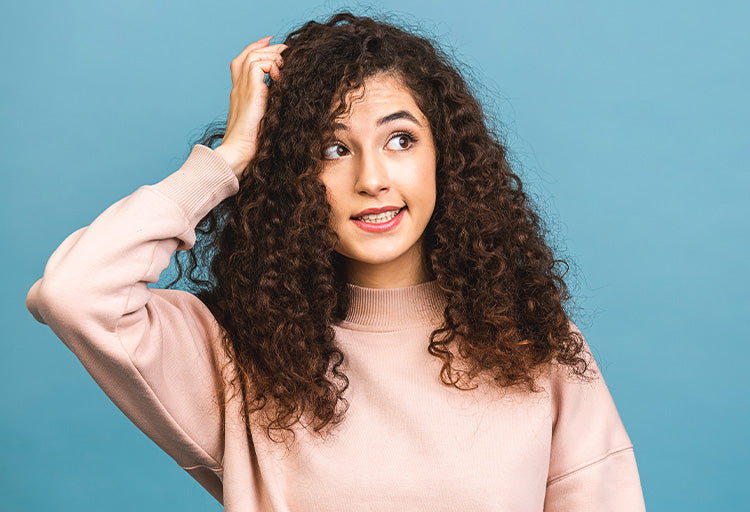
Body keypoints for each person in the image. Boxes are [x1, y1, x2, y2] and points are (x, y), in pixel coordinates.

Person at [25, 10, 645, 511]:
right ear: (292, 172)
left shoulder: (533, 344)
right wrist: (230, 157)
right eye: (331, 148)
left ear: (445, 159)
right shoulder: (237, 358)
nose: (372, 178)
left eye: (400, 140)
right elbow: (74, 294)